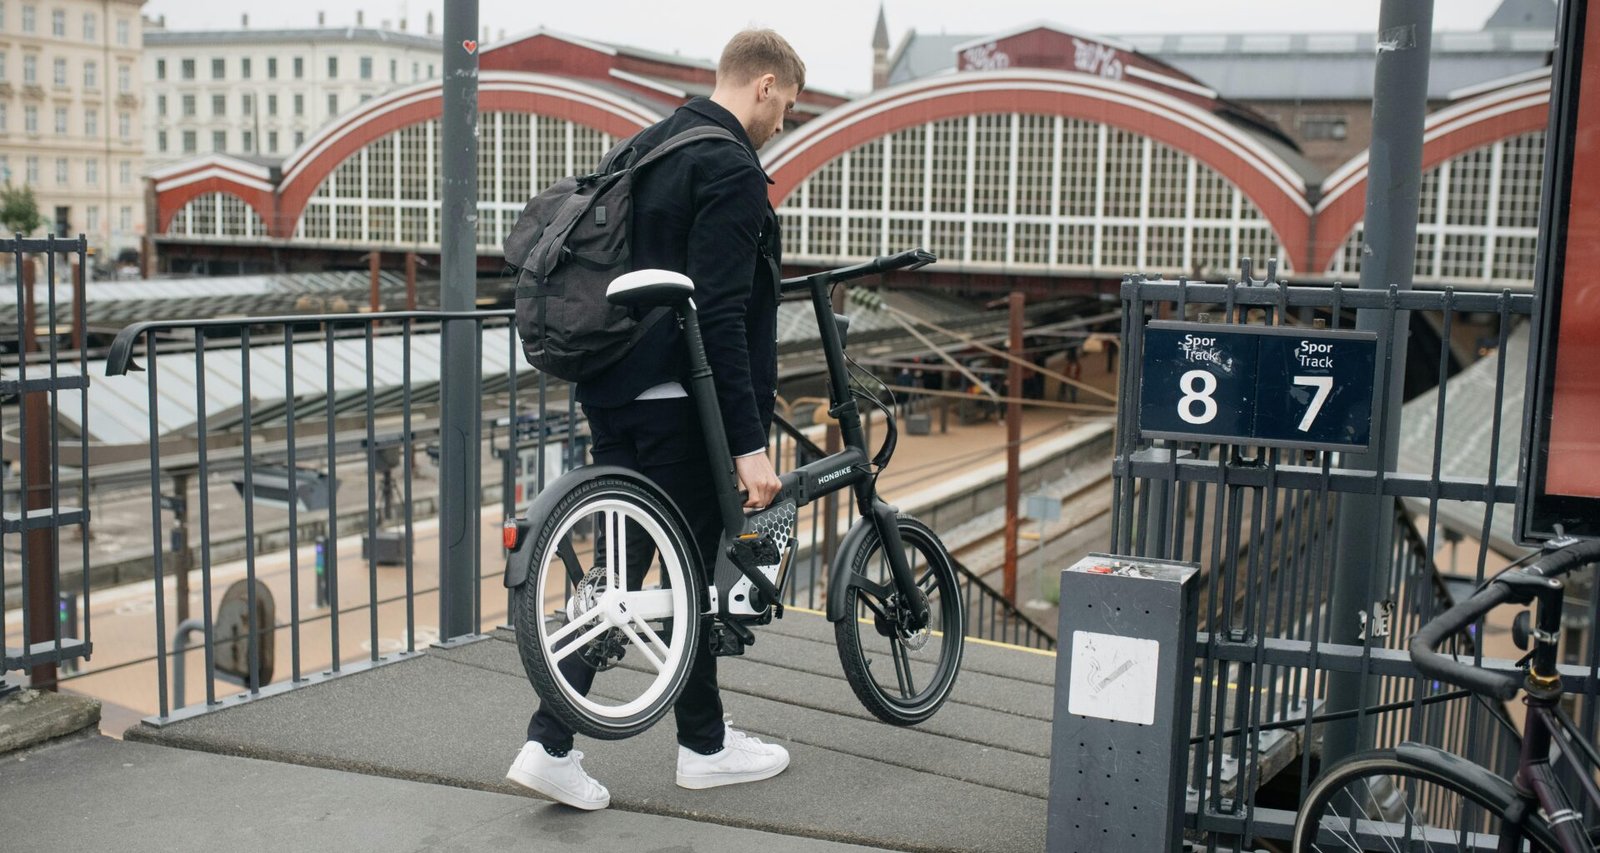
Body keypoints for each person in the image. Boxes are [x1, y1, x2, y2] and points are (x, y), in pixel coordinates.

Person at [505, 29, 803, 811]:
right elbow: (723, 314)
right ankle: (660, 745)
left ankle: (580, 743)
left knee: (640, 567)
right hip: (679, 400)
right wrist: (746, 443)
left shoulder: (651, 142)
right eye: (788, 108)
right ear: (765, 86)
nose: (782, 126)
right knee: (680, 573)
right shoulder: (732, 167)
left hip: (612, 388)